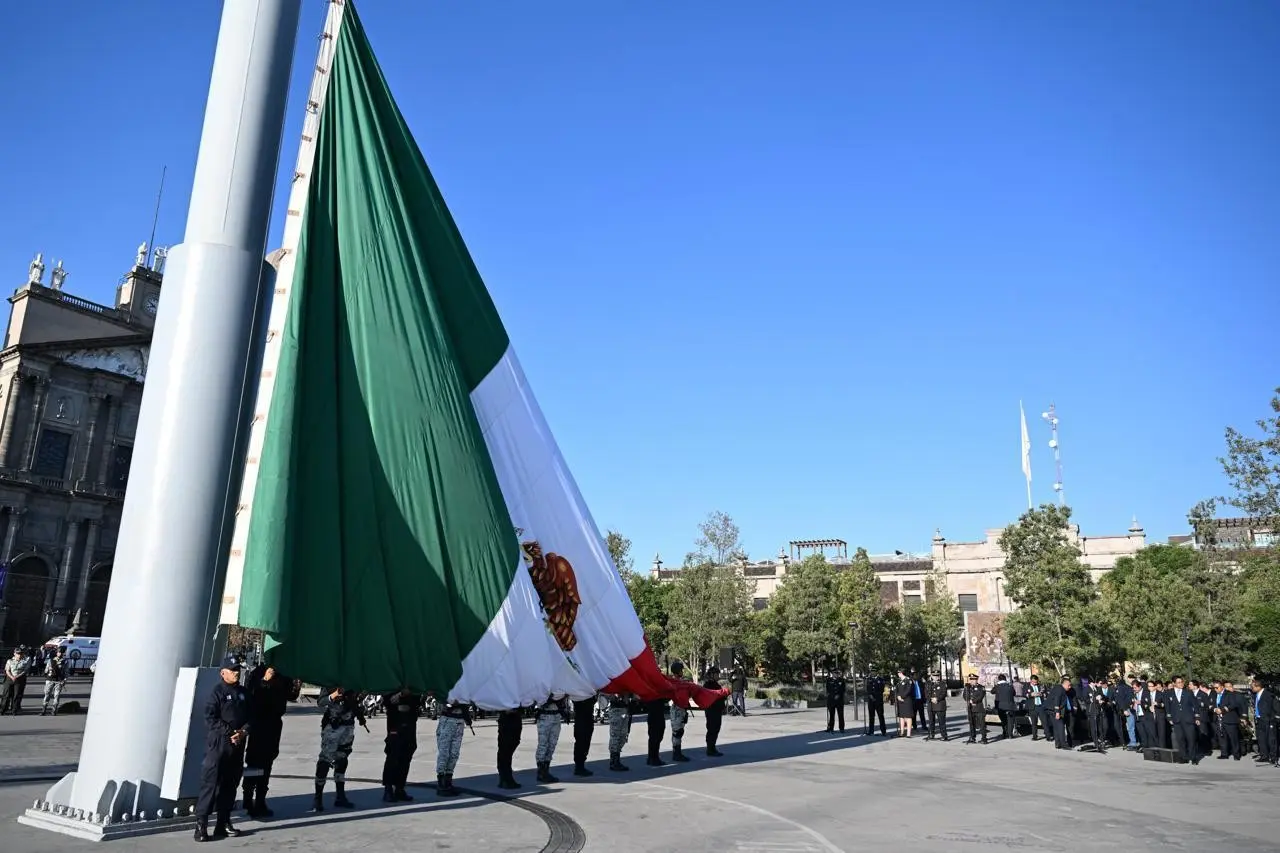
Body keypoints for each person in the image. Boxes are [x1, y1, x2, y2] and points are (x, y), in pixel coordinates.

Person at [194, 656, 249, 843]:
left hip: (237, 745)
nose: (236, 672)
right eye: (232, 669)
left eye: (238, 669)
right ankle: (201, 825)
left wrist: (243, 732)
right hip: (219, 744)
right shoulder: (217, 692)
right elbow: (210, 717)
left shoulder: (243, 693)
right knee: (211, 783)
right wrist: (229, 732)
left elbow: (252, 716)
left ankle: (223, 823)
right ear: (223, 673)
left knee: (231, 783)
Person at [242, 665, 298, 817]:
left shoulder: (284, 673)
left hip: (274, 723)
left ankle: (260, 800)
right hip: (259, 722)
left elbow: (291, 696)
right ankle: (247, 798)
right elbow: (250, 693)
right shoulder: (258, 672)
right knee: (254, 761)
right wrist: (265, 680)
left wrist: (297, 683)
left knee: (268, 760)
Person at [314, 686, 366, 811]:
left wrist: (360, 714)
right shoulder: (331, 679)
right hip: (332, 727)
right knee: (325, 760)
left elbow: (354, 703)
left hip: (348, 727)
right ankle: (318, 798)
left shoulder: (354, 680)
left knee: (342, 758)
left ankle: (340, 796)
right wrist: (333, 695)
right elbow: (321, 702)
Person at [381, 687, 421, 802]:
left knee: (407, 754)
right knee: (393, 755)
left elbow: (417, 701)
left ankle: (400, 788)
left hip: (410, 721)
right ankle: (388, 789)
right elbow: (388, 701)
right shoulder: (392, 681)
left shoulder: (413, 682)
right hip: (395, 722)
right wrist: (401, 694)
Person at [435, 698, 471, 797]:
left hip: (459, 722)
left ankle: (448, 782)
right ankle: (441, 783)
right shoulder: (446, 687)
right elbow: (442, 704)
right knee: (444, 753)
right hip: (448, 720)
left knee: (454, 754)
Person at [535, 693, 570, 782]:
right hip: (544, 716)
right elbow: (540, 700)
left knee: (552, 745)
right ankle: (541, 772)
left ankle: (546, 771)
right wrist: (554, 698)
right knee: (543, 745)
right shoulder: (543, 685)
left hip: (556, 717)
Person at [1165, 676, 1199, 764]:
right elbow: (1167, 706)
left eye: (1182, 682)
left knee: (1191, 739)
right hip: (1177, 720)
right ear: (1174, 683)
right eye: (1179, 682)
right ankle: (1184, 757)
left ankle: (1193, 757)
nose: (1181, 684)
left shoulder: (1188, 692)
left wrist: (1197, 717)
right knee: (1180, 739)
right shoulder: (1168, 693)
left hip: (1188, 719)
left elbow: (1195, 705)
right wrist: (1169, 717)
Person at [669, 661, 693, 761]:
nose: (682, 672)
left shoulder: (681, 681)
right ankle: (676, 753)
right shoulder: (673, 682)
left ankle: (678, 752)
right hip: (677, 709)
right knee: (677, 732)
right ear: (677, 671)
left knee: (680, 731)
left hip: (682, 709)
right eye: (681, 670)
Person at [496, 707, 526, 788]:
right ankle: (505, 778)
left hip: (515, 720)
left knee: (512, 746)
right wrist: (504, 710)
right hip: (506, 721)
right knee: (505, 750)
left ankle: (506, 778)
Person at [1214, 681, 1243, 760]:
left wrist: (1222, 710)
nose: (1215, 689)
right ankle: (1224, 754)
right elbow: (1213, 704)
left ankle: (1236, 754)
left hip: (1230, 719)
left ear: (1222, 687)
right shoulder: (1215, 695)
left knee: (1233, 738)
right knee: (1222, 737)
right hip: (1219, 719)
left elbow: (1233, 704)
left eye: (1217, 687)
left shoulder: (1229, 694)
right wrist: (1215, 709)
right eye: (1214, 688)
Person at [1249, 677, 1275, 765]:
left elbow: (1273, 708)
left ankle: (1273, 756)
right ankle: (1264, 756)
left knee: (1270, 739)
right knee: (1261, 739)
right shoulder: (1255, 695)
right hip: (1258, 719)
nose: (1251, 689)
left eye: (1253, 687)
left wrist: (1271, 718)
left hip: (1267, 719)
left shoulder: (1268, 695)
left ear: (1258, 686)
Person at [702, 666, 727, 756]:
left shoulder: (716, 684)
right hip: (711, 710)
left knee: (716, 729)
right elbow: (711, 696)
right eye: (716, 674)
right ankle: (710, 749)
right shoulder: (708, 684)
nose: (718, 676)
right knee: (712, 729)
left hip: (717, 710)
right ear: (712, 675)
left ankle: (713, 747)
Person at [571, 695, 597, 776]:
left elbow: (593, 700)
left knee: (586, 742)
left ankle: (581, 765)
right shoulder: (578, 693)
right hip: (581, 720)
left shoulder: (589, 692)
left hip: (588, 718)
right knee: (581, 742)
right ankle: (579, 766)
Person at [0, 647, 31, 715]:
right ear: (14, 654)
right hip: (9, 678)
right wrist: (12, 677)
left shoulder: (24, 661)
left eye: (21, 653)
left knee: (16, 695)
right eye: (18, 653)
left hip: (19, 679)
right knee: (6, 695)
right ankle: (3, 710)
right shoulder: (10, 660)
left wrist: (17, 676)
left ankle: (14, 710)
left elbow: (25, 671)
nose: (19, 655)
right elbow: (7, 670)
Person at [41, 647, 69, 716]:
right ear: (56, 653)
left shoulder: (65, 661)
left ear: (63, 653)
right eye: (58, 652)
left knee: (57, 695)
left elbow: (66, 671)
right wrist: (48, 671)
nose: (59, 653)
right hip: (50, 679)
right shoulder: (51, 660)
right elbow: (46, 670)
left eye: (61, 652)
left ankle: (54, 710)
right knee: (47, 694)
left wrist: (65, 680)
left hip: (59, 680)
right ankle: (43, 710)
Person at [962, 674, 987, 745]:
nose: (972, 681)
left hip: (979, 708)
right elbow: (964, 695)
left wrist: (973, 701)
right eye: (971, 679)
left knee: (982, 724)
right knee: (971, 724)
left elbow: (981, 696)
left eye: (974, 680)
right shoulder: (967, 687)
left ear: (976, 680)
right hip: (971, 708)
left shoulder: (981, 687)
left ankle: (984, 738)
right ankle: (972, 737)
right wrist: (968, 700)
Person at [1050, 677, 1074, 750]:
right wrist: (1057, 712)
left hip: (1052, 710)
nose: (1070, 687)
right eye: (1069, 685)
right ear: (1065, 684)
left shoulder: (1060, 688)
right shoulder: (1060, 689)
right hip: (1055, 710)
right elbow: (1057, 700)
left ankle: (1058, 744)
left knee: (1057, 727)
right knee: (1060, 727)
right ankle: (1063, 745)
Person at [1087, 681, 1110, 753]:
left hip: (1099, 710)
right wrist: (1095, 699)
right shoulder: (1086, 689)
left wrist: (1101, 698)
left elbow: (1103, 696)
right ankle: (1096, 743)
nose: (1097, 684)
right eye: (1095, 682)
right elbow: (1085, 699)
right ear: (1091, 683)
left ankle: (1101, 740)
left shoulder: (1097, 689)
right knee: (1094, 728)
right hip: (1092, 711)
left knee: (1101, 727)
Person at [993, 674, 1017, 740]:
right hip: (1010, 706)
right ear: (1005, 679)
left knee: (1003, 721)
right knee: (1010, 721)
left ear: (999, 679)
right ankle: (1010, 735)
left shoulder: (997, 686)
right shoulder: (1010, 685)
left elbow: (992, 691)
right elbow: (1014, 693)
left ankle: (1005, 733)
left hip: (1001, 706)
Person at [864, 668, 887, 736]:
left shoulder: (881, 679)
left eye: (874, 671)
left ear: (876, 672)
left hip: (878, 700)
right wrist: (870, 695)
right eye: (871, 671)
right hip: (871, 701)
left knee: (880, 715)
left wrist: (875, 697)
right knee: (871, 716)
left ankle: (883, 731)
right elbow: (867, 688)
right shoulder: (868, 679)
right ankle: (871, 731)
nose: (872, 672)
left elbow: (881, 689)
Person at [926, 672, 948, 741]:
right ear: (931, 676)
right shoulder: (928, 683)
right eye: (934, 676)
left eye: (937, 676)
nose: (935, 677)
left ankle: (944, 736)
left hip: (940, 705)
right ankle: (931, 734)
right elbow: (926, 693)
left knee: (941, 722)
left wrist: (937, 698)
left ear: (939, 676)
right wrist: (931, 698)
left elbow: (944, 693)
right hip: (931, 705)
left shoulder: (943, 683)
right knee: (931, 721)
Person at [824, 666, 846, 733]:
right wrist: (833, 696)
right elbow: (828, 690)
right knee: (831, 715)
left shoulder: (841, 680)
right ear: (832, 673)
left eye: (837, 673)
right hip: (831, 700)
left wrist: (838, 695)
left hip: (839, 700)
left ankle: (841, 728)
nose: (835, 674)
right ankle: (831, 728)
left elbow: (843, 690)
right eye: (834, 673)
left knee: (840, 715)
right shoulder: (829, 680)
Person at [1025, 675, 1047, 741]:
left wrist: (1042, 694)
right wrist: (1031, 694)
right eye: (1034, 682)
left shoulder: (1040, 685)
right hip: (1032, 707)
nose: (1035, 683)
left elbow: (1045, 692)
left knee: (1044, 721)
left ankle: (1048, 735)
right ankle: (1035, 736)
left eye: (1036, 682)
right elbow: (1024, 694)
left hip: (1040, 706)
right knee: (1034, 723)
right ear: (1031, 680)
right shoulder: (1026, 686)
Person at [894, 671, 914, 738]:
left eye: (899, 673)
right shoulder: (899, 681)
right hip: (900, 701)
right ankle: (901, 732)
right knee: (901, 716)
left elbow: (908, 690)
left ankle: (908, 733)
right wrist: (898, 696)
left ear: (902, 673)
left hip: (907, 700)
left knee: (908, 716)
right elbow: (896, 690)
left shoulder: (908, 680)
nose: (898, 674)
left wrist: (902, 696)